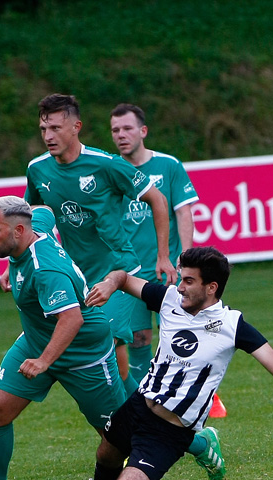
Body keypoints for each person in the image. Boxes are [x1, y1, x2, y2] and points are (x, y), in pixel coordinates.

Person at [52, 246, 273, 480]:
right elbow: (124, 278)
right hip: (139, 404)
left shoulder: (232, 325)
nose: (180, 287)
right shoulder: (169, 299)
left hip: (170, 431)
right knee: (106, 451)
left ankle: (204, 442)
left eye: (188, 281)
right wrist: (111, 284)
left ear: (211, 288)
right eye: (181, 279)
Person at [0, 196, 126, 480]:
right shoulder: (31, 226)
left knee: (119, 436)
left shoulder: (45, 269)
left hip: (84, 351)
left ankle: (200, 443)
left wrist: (43, 362)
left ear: (18, 232)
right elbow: (45, 211)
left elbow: (72, 319)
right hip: (38, 339)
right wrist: (9, 267)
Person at [23, 93, 176, 400]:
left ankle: (150, 428)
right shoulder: (38, 169)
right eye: (43, 129)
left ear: (76, 127)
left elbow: (157, 199)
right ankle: (165, 427)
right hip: (80, 276)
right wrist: (15, 262)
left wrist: (163, 256)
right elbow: (33, 218)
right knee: (111, 371)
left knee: (115, 361)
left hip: (119, 272)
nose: (48, 136)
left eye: (55, 128)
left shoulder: (106, 165)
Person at [110, 103, 199, 385]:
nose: (121, 135)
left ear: (143, 131)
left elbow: (183, 212)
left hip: (167, 267)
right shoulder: (110, 170)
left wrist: (186, 258)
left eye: (127, 128)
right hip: (130, 272)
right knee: (137, 339)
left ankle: (187, 392)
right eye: (115, 130)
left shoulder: (168, 165)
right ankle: (147, 398)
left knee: (178, 336)